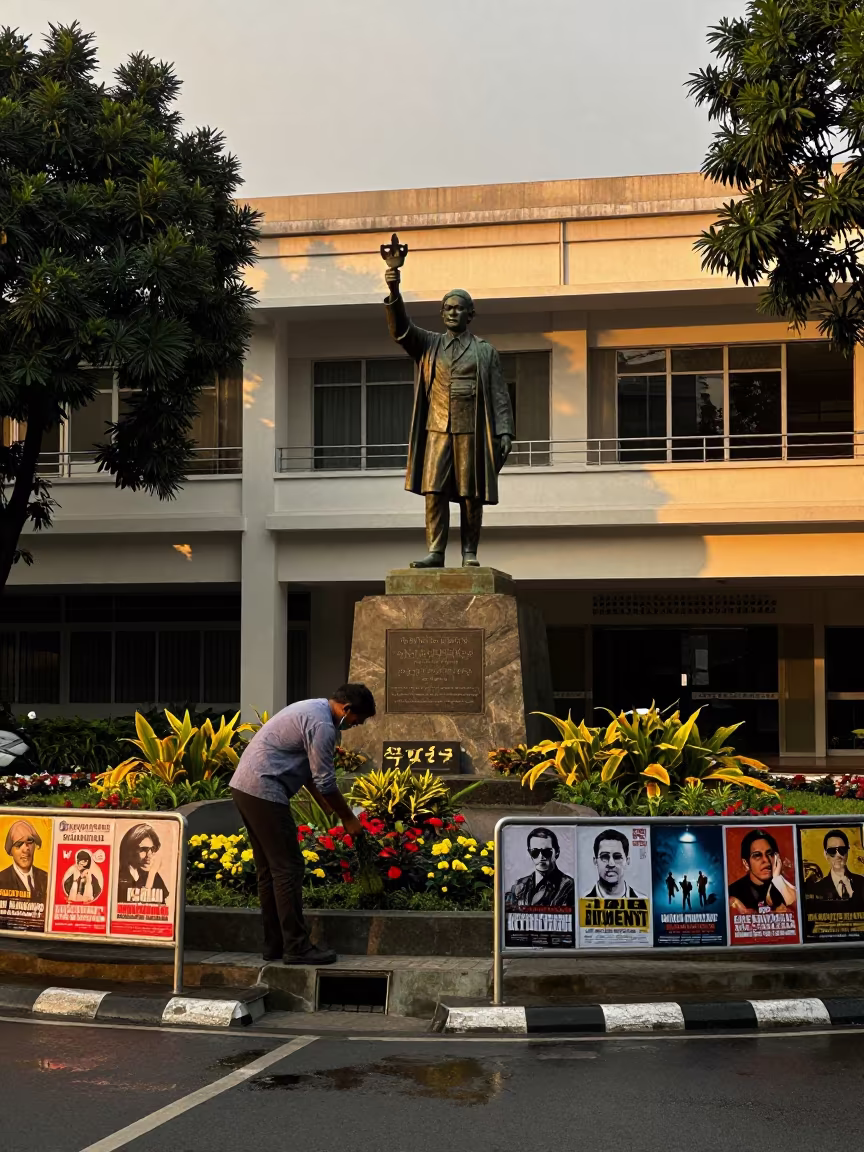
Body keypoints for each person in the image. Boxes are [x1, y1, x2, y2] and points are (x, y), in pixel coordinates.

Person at [383, 251, 515, 568]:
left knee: (471, 494)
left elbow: (500, 393)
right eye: (448, 308)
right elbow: (401, 330)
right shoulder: (428, 344)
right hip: (437, 427)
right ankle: (436, 551)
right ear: (442, 314)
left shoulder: (485, 351)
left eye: (459, 309)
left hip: (472, 428)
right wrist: (394, 290)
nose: (452, 313)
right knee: (434, 490)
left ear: (470, 315)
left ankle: (469, 552)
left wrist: (505, 430)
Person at [230, 684, 376, 966]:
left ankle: (275, 944)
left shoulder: (312, 707)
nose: (357, 725)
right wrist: (348, 818)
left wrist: (324, 805)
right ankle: (297, 947)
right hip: (264, 789)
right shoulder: (323, 725)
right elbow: (326, 780)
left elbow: (309, 769)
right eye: (359, 719)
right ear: (347, 709)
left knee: (269, 871)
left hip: (245, 787)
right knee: (288, 868)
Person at [728, 829, 797, 913]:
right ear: (746, 864)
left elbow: (798, 910)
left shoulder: (785, 884)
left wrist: (778, 880)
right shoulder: (733, 892)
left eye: (770, 854)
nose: (766, 860)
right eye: (757, 855)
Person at [504, 828, 574, 908]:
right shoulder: (520, 884)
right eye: (535, 852)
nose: (541, 857)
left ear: (557, 852)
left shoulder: (568, 885)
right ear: (529, 853)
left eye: (547, 852)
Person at [583, 829, 646, 899]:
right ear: (595, 861)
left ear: (627, 861)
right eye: (604, 857)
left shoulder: (642, 900)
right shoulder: (581, 901)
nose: (611, 864)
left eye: (617, 857)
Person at [116, 824, 169, 904]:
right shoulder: (119, 877)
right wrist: (151, 875)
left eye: (152, 849)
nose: (149, 855)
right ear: (130, 850)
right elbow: (138, 907)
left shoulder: (154, 876)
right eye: (143, 849)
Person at [810, 830, 864, 906]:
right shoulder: (816, 889)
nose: (838, 855)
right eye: (832, 851)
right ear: (825, 855)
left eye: (842, 850)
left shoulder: (862, 882)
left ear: (847, 852)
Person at [0, 819, 48, 900]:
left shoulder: (46, 878)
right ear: (11, 850)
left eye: (29, 841)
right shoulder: (2, 880)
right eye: (18, 844)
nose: (25, 849)